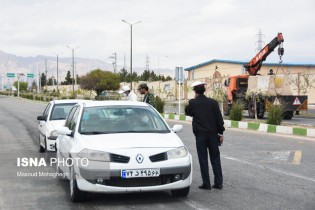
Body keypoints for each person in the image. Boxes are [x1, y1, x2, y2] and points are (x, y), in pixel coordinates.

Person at [185, 81, 225, 190]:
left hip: (201, 136)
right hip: (213, 135)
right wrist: (221, 133)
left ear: (195, 91)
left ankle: (206, 184)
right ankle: (219, 183)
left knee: (203, 159)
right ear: (204, 90)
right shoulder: (213, 102)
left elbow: (187, 112)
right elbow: (219, 120)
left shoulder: (193, 103)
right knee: (215, 159)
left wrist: (193, 100)